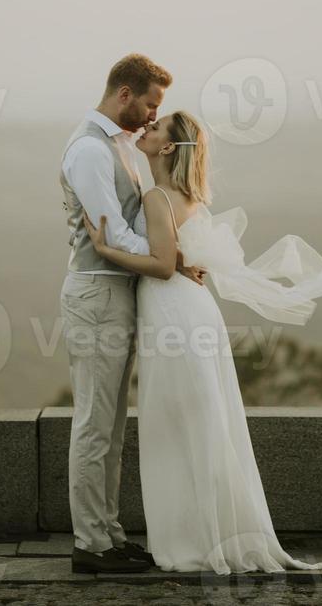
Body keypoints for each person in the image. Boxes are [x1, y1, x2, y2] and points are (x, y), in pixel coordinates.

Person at [83, 109, 322, 574]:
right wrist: (179, 262)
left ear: (167, 148)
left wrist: (104, 249)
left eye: (156, 128)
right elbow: (179, 257)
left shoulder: (154, 197)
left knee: (174, 428)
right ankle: (211, 534)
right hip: (193, 311)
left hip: (174, 318)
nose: (147, 130)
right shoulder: (189, 197)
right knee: (205, 424)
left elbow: (163, 265)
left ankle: (192, 541)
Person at [59, 54, 205, 575]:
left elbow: (127, 233)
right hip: (97, 296)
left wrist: (173, 256)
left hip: (118, 293)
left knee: (112, 427)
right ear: (124, 93)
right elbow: (111, 236)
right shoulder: (88, 150)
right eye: (150, 103)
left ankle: (110, 534)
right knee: (94, 425)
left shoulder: (120, 145)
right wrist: (166, 254)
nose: (151, 115)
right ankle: (90, 546)